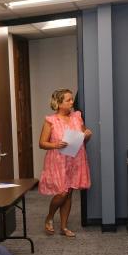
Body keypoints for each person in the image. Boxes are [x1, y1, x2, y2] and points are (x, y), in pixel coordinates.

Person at [38, 88, 92, 238]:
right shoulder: (51, 120)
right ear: (59, 103)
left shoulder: (77, 117)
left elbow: (83, 138)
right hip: (58, 160)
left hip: (75, 158)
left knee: (69, 194)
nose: (72, 102)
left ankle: (63, 226)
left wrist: (87, 135)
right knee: (62, 193)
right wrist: (56, 144)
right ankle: (49, 217)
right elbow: (42, 143)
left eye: (71, 99)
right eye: (68, 100)